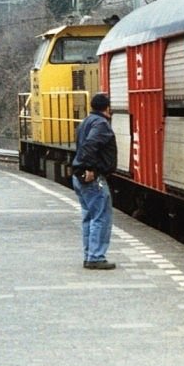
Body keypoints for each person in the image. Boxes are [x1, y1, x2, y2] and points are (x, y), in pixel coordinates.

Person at [72, 92, 118, 270]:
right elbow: (91, 145)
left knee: (89, 217)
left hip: (80, 176)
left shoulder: (86, 121)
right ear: (107, 108)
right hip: (93, 178)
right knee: (101, 217)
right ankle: (96, 256)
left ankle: (89, 255)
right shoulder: (101, 124)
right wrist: (90, 168)